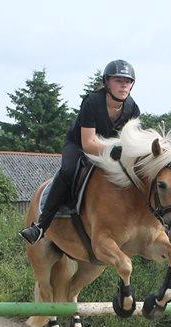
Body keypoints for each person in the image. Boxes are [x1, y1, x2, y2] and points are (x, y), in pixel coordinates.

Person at [19, 59, 141, 244]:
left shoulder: (132, 108)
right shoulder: (92, 102)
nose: (124, 85)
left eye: (127, 81)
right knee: (68, 171)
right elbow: (89, 143)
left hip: (112, 150)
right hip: (79, 145)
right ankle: (41, 226)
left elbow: (132, 141)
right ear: (107, 82)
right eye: (118, 80)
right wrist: (113, 149)